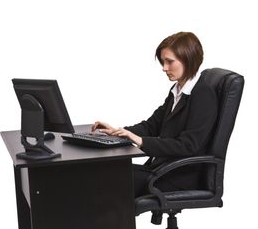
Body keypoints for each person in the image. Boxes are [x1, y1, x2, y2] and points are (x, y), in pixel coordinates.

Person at [92, 31, 218, 197]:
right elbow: (152, 126)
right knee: (101, 172)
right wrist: (118, 132)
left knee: (105, 180)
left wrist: (141, 141)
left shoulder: (202, 94)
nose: (164, 68)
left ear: (188, 59)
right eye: (163, 62)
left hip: (179, 176)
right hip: (162, 169)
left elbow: (188, 145)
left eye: (170, 62)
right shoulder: (178, 91)